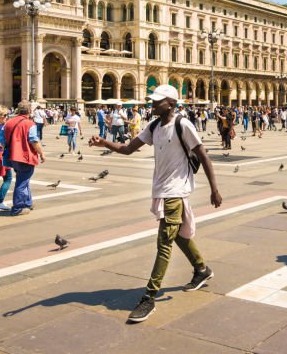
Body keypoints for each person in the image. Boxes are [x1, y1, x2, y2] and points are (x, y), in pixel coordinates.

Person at [90, 84, 221, 324]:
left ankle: (149, 297)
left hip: (175, 192)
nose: (152, 103)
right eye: (153, 100)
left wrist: (214, 189)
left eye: (157, 101)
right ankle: (201, 269)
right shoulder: (154, 126)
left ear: (171, 103)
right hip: (162, 190)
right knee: (179, 235)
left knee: (164, 243)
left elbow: (203, 155)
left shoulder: (183, 124)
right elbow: (128, 148)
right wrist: (105, 143)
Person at [1, 102, 45, 216]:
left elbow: (2, 140)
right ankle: (18, 207)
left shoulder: (8, 123)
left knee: (23, 179)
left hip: (12, 157)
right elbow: (34, 141)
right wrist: (41, 153)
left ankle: (28, 202)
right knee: (22, 181)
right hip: (25, 156)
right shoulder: (30, 124)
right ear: (29, 111)